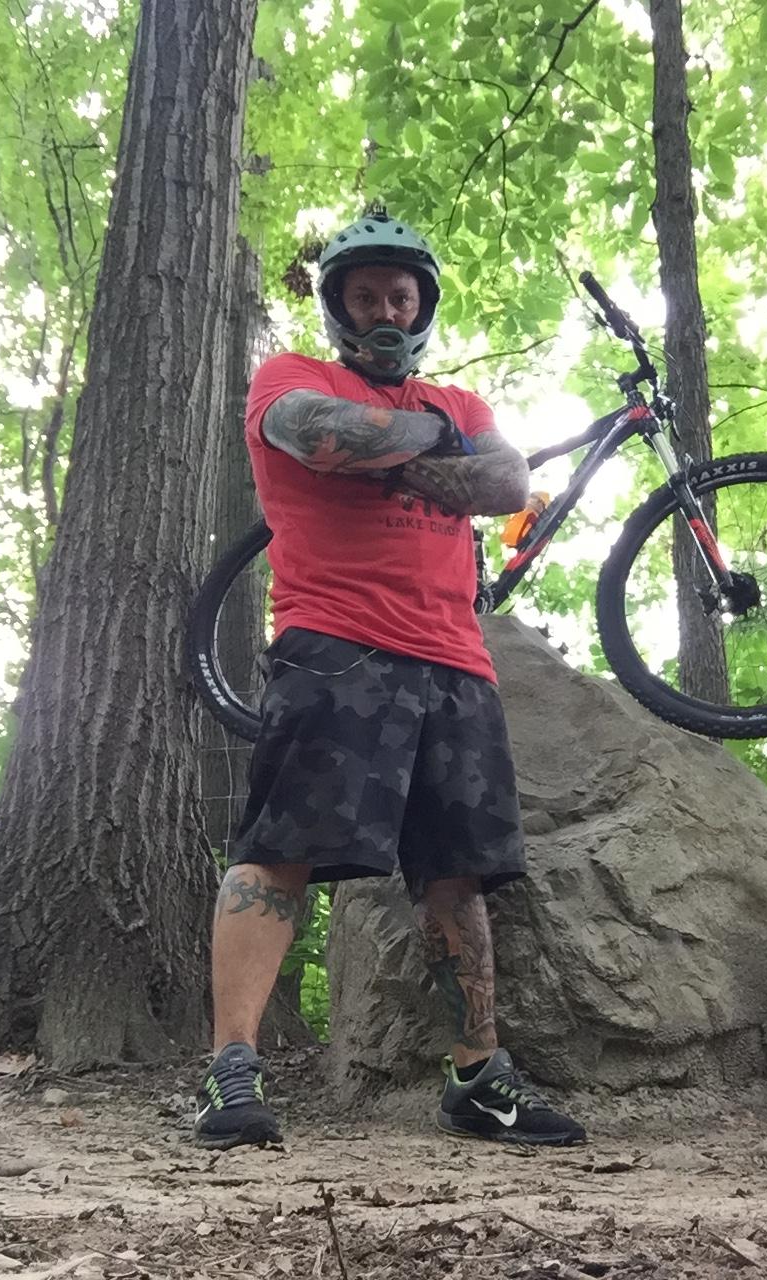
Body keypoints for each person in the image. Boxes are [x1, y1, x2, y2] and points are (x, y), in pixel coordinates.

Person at [193, 207, 585, 1151]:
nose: (382, 310)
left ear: (423, 309)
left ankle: (478, 1082)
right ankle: (228, 1073)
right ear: (337, 307)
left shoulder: (464, 400)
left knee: (460, 872)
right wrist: (428, 453)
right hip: (335, 644)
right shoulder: (292, 375)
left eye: (399, 296)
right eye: (363, 295)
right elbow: (310, 431)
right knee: (279, 846)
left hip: (457, 659)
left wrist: (386, 452)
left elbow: (504, 485)